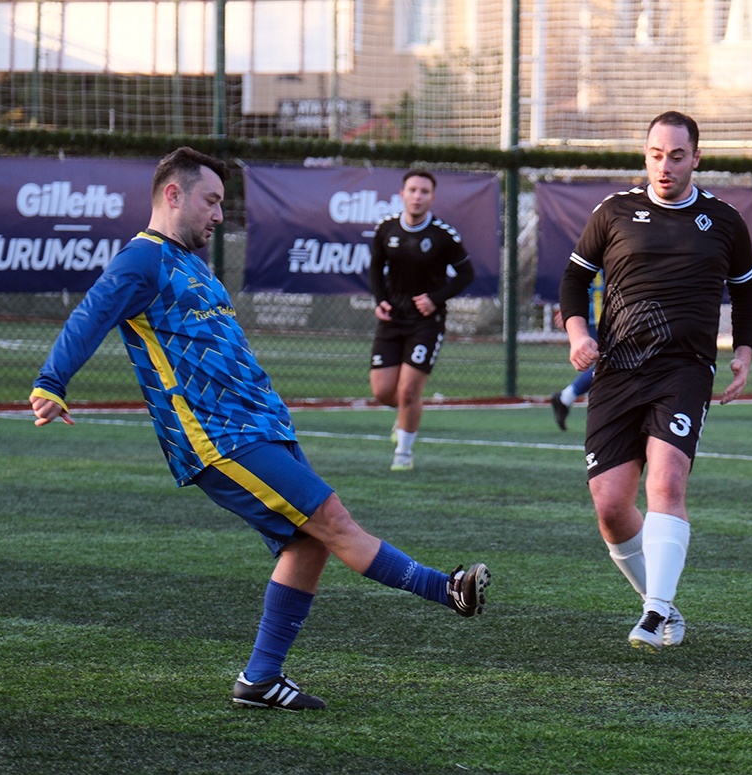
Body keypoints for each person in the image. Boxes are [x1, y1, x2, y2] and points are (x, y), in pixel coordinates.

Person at [29, 147, 491, 711]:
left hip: (261, 424)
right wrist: (51, 382)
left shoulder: (190, 262)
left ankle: (260, 679)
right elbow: (90, 315)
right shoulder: (141, 259)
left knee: (309, 542)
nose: (218, 215)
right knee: (331, 518)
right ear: (173, 194)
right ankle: (446, 588)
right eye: (211, 201)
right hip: (217, 435)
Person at [558, 111, 752, 652]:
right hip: (618, 370)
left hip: (684, 369)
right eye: (655, 155)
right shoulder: (614, 212)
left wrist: (743, 351)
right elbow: (575, 278)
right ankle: (662, 603)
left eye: (676, 155)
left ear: (696, 158)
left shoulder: (724, 220)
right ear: (645, 155)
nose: (664, 166)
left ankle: (652, 614)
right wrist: (578, 333)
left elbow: (746, 289)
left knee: (667, 483)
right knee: (610, 504)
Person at [369, 169, 475, 471]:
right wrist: (380, 301)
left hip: (427, 320)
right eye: (413, 190)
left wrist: (435, 298)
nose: (418, 196)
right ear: (402, 194)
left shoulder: (443, 235)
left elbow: (466, 274)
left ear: (432, 197)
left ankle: (403, 453)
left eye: (424, 192)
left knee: (408, 391)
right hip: (393, 317)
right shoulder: (386, 228)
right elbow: (376, 267)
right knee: (382, 392)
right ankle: (405, 415)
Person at [549, 271, 602, 432]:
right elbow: (579, 280)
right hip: (598, 317)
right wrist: (572, 310)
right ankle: (566, 398)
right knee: (609, 362)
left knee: (610, 363)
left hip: (603, 315)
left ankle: (566, 397)